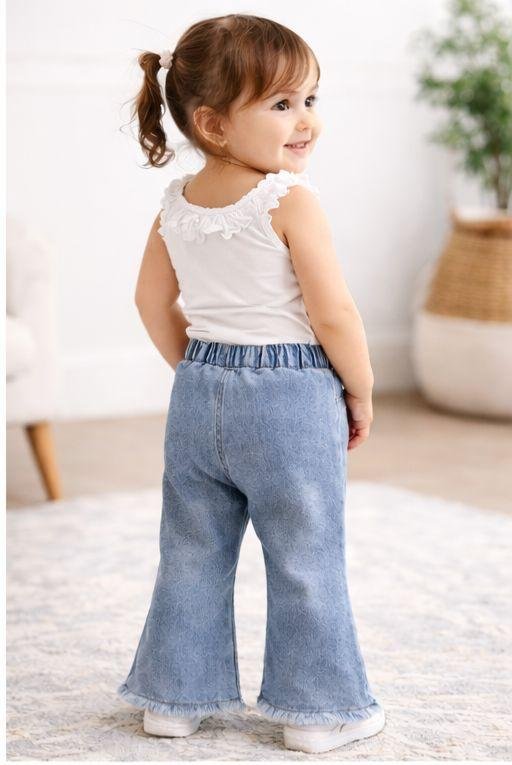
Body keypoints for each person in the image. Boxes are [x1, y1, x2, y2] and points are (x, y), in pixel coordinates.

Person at [116, 13, 385, 755]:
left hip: (199, 391)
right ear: (213, 122)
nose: (307, 121)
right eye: (281, 104)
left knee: (191, 548)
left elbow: (149, 301)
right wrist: (359, 389)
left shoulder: (176, 204)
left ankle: (172, 700)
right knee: (305, 552)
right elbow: (334, 312)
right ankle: (318, 712)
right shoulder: (289, 199)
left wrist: (199, 372)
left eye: (311, 99)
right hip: (290, 398)